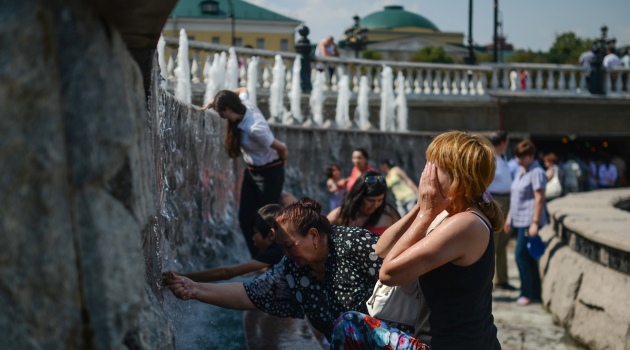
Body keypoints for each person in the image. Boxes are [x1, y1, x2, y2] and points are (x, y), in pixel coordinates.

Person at [330, 131, 503, 349]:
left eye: (432, 165)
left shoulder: (466, 224)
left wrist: (425, 215)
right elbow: (382, 248)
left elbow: (389, 273)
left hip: (452, 345)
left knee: (349, 325)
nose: (425, 173)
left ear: (455, 175)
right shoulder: (451, 214)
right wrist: (422, 207)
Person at [163, 198, 383, 342]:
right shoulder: (292, 269)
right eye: (282, 248)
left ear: (314, 236)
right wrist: (194, 290)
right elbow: (249, 294)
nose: (286, 254)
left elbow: (402, 273)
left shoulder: (355, 243)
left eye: (289, 246)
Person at [201, 88, 288, 258]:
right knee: (245, 218)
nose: (222, 117)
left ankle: (272, 261)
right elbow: (243, 89)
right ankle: (258, 260)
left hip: (269, 174)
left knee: (266, 222)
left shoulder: (255, 128)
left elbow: (282, 148)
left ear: (228, 109)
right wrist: (213, 101)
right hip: (253, 172)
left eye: (221, 113)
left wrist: (282, 164)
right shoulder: (243, 104)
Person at [162, 204, 284, 283]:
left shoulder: (276, 251)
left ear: (271, 235)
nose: (252, 238)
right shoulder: (282, 246)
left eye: (255, 233)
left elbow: (226, 272)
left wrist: (185, 277)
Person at [505, 140, 548, 306]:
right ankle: (534, 292)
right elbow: (515, 197)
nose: (518, 160)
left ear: (531, 156)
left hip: (529, 220)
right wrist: (510, 217)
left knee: (521, 256)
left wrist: (535, 223)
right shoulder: (521, 170)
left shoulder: (536, 172)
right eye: (518, 157)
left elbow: (539, 198)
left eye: (522, 157)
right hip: (519, 219)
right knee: (527, 257)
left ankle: (527, 292)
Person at [327, 170, 401, 236]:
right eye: (370, 200)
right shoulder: (340, 215)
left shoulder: (389, 214)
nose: (375, 205)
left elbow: (402, 236)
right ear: (358, 197)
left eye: (380, 200)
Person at [487, 131, 516, 291]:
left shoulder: (502, 159)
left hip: (506, 200)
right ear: (503, 143)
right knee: (492, 243)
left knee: (503, 243)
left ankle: (502, 279)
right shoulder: (490, 158)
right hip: (496, 200)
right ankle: (488, 280)